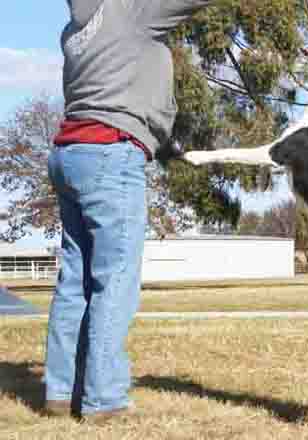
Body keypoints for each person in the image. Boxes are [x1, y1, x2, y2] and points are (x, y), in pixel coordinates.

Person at [45, 0, 213, 421]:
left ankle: (61, 391)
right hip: (110, 152)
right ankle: (104, 399)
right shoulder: (127, 9)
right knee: (115, 278)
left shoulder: (72, 31)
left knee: (75, 279)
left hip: (71, 153)